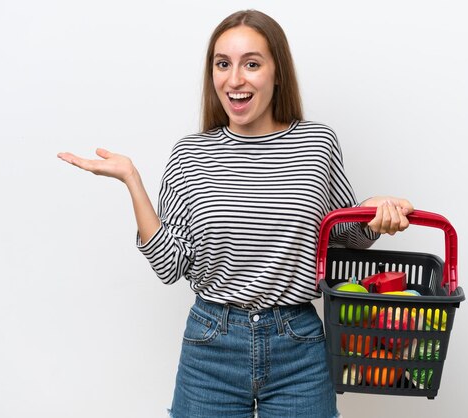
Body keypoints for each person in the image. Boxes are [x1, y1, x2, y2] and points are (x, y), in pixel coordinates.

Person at [58, 9, 413, 418]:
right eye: (223, 64)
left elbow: (345, 235)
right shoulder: (190, 154)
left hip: (297, 343)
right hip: (211, 346)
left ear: (277, 73)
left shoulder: (317, 144)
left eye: (252, 64)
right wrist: (132, 181)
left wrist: (375, 213)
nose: (235, 79)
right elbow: (171, 266)